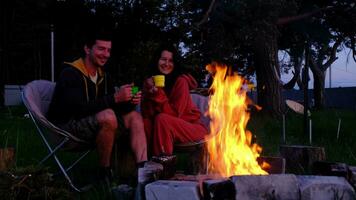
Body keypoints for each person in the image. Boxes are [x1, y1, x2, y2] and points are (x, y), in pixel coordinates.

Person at [48, 30, 147, 179]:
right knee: (108, 116)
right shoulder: (70, 73)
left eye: (108, 50)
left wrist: (129, 102)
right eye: (101, 48)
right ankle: (104, 174)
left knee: (134, 117)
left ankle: (143, 171)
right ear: (87, 49)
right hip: (66, 128)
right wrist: (114, 98)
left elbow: (111, 105)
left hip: (93, 124)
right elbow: (76, 109)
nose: (106, 54)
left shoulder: (103, 76)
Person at [141, 44, 209, 156]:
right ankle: (146, 164)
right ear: (157, 61)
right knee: (146, 123)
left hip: (192, 127)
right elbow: (147, 114)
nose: (167, 64)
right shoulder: (152, 81)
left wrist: (158, 94)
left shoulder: (180, 82)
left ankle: (164, 165)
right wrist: (148, 93)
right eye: (163, 59)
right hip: (165, 127)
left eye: (171, 61)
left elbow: (175, 115)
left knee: (162, 119)